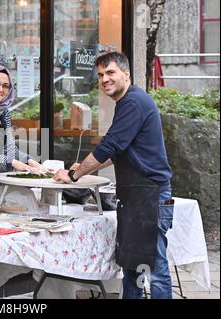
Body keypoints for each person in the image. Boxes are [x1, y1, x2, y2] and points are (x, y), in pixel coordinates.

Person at [53, 52, 174, 299]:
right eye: (100, 75)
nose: (104, 79)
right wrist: (82, 168)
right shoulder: (128, 102)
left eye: (110, 73)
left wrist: (74, 175)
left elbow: (109, 146)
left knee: (155, 269)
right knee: (131, 266)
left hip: (150, 196)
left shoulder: (134, 102)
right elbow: (118, 150)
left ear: (126, 74)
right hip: (136, 197)